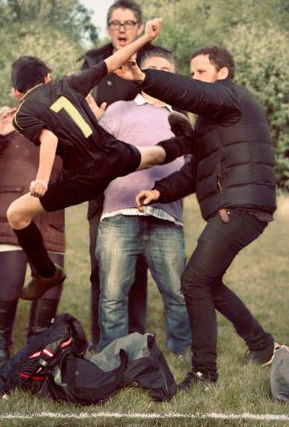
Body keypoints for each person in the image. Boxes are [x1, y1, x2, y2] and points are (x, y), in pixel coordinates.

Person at [119, 45, 277, 390]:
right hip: (239, 202)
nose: (194, 79)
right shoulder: (212, 117)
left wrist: (146, 78)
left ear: (222, 73)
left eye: (200, 72)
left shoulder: (228, 97)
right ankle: (262, 345)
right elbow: (195, 172)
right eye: (191, 72)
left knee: (192, 281)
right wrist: (160, 190)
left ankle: (205, 371)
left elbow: (191, 93)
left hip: (240, 204)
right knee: (208, 282)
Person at [5, 17, 192, 302]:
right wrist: (145, 37)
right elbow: (114, 61)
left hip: (84, 178)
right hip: (112, 155)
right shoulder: (67, 83)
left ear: (17, 92)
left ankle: (46, 272)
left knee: (16, 214)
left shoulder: (22, 113)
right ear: (46, 78)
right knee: (148, 155)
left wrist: (42, 178)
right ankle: (185, 142)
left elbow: (50, 138)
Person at [0, 57, 66, 365]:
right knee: (9, 285)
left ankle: (38, 343)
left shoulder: (62, 123)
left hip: (47, 218)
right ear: (16, 93)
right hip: (4, 216)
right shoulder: (5, 120)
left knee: (50, 286)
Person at [95, 46, 191, 355]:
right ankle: (113, 355)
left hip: (167, 214)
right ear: (143, 76)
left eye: (169, 69)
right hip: (119, 211)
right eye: (156, 68)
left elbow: (194, 166)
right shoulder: (119, 110)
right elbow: (97, 156)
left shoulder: (181, 119)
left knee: (177, 291)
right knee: (112, 293)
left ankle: (181, 352)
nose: (163, 74)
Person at [80, 0, 152, 346]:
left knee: (138, 265)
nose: (122, 29)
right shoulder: (94, 62)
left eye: (129, 23)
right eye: (115, 23)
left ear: (139, 27)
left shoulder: (155, 61)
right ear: (108, 28)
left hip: (144, 180)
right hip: (102, 181)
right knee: (102, 264)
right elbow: (76, 118)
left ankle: (136, 337)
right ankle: (101, 340)